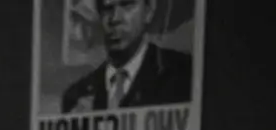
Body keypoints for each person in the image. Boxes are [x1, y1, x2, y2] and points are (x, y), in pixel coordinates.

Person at [61, 0, 192, 113]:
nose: (115, 18)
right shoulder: (76, 96)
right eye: (107, 8)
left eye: (126, 4)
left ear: (148, 11)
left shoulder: (185, 74)